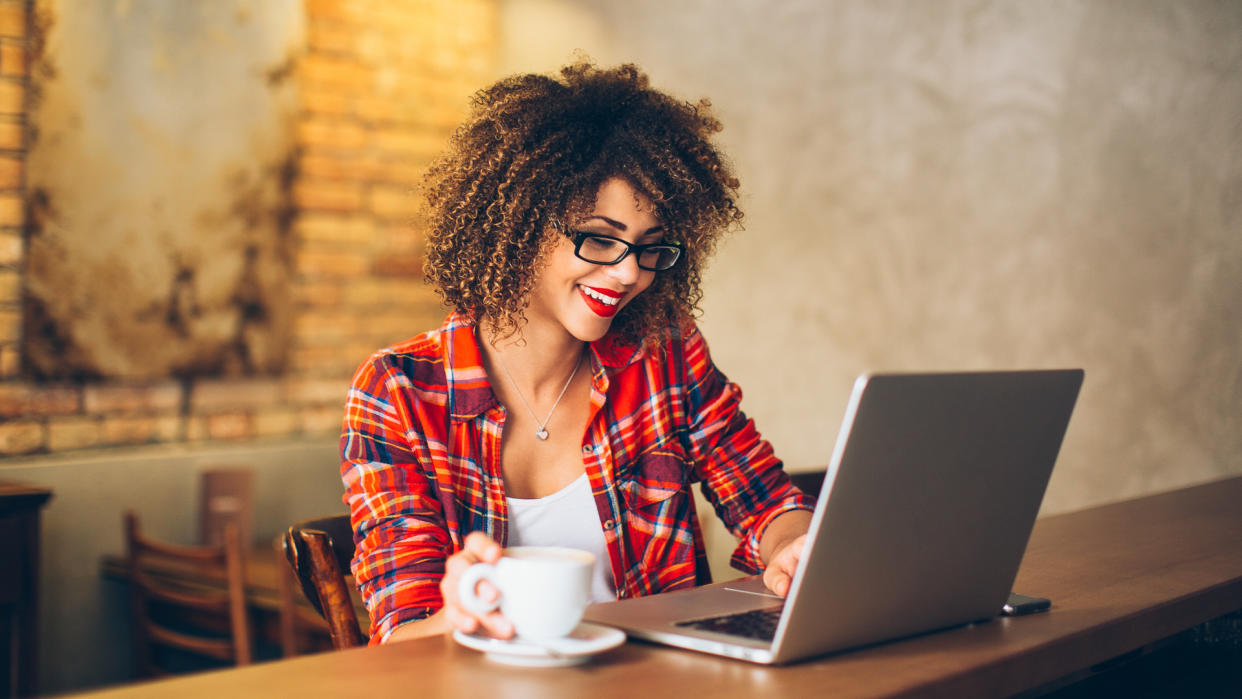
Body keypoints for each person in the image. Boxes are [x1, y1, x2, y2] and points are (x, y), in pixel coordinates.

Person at [340, 61, 815, 645]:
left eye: (648, 247)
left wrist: (795, 546)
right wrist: (463, 615)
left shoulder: (663, 353)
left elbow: (766, 501)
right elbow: (402, 635)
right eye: (599, 237)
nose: (626, 273)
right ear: (519, 223)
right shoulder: (399, 392)